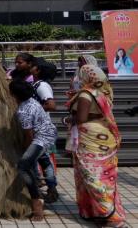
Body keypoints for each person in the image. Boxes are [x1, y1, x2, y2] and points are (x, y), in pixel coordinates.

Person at [65, 65, 126, 227]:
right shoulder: (104, 92)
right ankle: (98, 212)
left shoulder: (86, 94)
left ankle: (109, 215)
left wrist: (69, 119)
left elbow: (81, 119)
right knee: (105, 176)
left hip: (90, 139)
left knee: (91, 176)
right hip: (104, 136)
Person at [9, 80, 57, 221]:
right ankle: (47, 190)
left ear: (13, 94)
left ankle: (37, 202)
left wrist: (24, 149)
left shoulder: (23, 111)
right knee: (33, 163)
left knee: (23, 166)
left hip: (42, 138)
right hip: (48, 133)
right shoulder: (31, 100)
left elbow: (29, 136)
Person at [30, 58, 59, 203]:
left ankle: (51, 188)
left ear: (38, 70)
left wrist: (33, 112)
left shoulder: (41, 86)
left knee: (44, 160)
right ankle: (48, 187)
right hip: (37, 127)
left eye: (34, 66)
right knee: (41, 159)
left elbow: (51, 105)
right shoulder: (36, 84)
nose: (31, 67)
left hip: (42, 129)